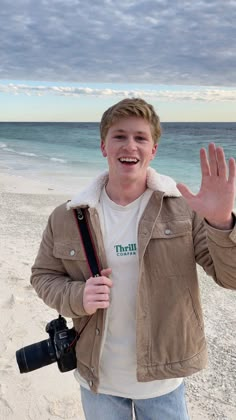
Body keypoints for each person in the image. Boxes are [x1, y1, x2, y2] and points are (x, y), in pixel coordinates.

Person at [31, 98, 236, 420]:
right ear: (103, 147)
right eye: (120, 136)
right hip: (97, 376)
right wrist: (77, 296)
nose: (130, 145)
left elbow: (231, 278)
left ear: (153, 150)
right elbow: (43, 275)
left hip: (163, 379)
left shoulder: (185, 209)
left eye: (141, 137)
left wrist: (222, 223)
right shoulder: (67, 216)